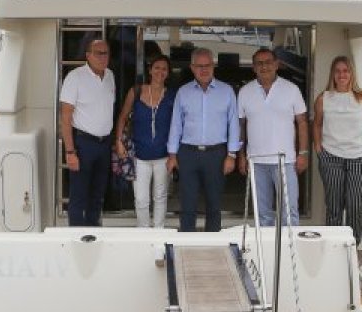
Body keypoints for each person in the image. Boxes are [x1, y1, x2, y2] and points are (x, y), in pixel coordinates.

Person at [167, 48, 240, 232]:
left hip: (217, 154)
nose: (204, 69)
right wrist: (172, 155)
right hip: (188, 154)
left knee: (214, 205)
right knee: (187, 204)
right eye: (199, 66)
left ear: (213, 66)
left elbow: (233, 124)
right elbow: (176, 124)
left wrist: (232, 155)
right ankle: (187, 242)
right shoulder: (183, 92)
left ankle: (213, 242)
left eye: (207, 65)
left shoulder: (226, 91)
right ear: (192, 67)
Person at [313, 55, 362, 245]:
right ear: (332, 74)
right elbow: (316, 125)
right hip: (331, 159)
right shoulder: (323, 99)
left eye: (346, 71)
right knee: (333, 207)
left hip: (360, 159)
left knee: (355, 207)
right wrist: (319, 149)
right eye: (337, 71)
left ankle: (352, 249)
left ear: (352, 73)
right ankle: (333, 248)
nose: (341, 75)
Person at [238, 47, 308, 226]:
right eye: (259, 63)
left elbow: (302, 122)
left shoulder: (291, 89)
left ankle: (289, 245)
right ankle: (266, 245)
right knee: (262, 215)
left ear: (277, 64)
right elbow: (241, 126)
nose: (264, 67)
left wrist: (303, 153)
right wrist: (241, 156)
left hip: (285, 161)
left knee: (289, 213)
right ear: (253, 67)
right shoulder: (245, 91)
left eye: (268, 62)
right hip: (256, 161)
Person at [114, 56, 176, 228]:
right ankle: (143, 232)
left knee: (160, 197)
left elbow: (178, 125)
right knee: (141, 199)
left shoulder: (172, 95)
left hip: (163, 156)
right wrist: (118, 141)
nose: (160, 72)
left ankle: (158, 232)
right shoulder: (136, 91)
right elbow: (123, 117)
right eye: (157, 67)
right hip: (139, 156)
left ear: (168, 73)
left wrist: (174, 155)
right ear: (150, 70)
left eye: (164, 69)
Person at [59, 39, 116, 227]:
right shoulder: (75, 77)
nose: (103, 57)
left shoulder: (110, 76)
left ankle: (93, 233)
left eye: (106, 53)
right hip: (83, 144)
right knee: (79, 196)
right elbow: (65, 117)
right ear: (88, 55)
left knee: (98, 195)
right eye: (98, 53)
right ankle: (76, 237)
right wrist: (70, 152)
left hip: (104, 144)